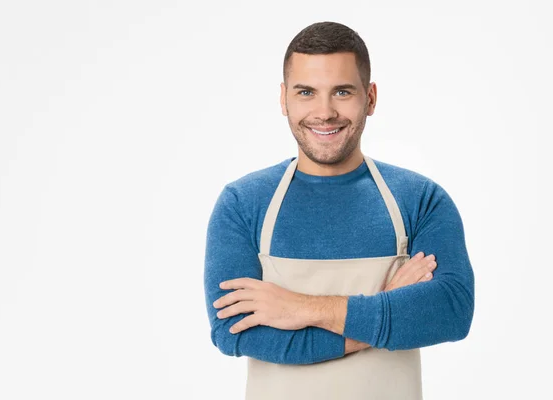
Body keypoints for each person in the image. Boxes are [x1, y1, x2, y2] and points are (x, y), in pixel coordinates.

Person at [203, 21, 474, 400]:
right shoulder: (243, 204)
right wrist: (384, 313)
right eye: (306, 92)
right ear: (284, 99)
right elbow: (232, 330)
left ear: (371, 98)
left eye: (342, 92)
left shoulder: (421, 200)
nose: (324, 112)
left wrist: (298, 307)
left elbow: (449, 312)